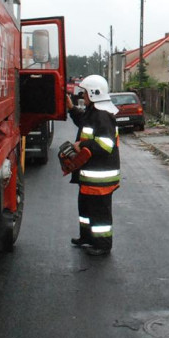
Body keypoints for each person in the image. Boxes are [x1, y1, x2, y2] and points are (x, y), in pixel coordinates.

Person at [66, 74, 121, 256]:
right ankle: (87, 237)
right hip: (89, 176)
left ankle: (102, 245)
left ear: (93, 93)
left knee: (99, 214)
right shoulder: (93, 112)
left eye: (84, 93)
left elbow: (105, 146)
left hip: (100, 178)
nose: (82, 96)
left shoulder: (103, 116)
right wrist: (71, 108)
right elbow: (83, 121)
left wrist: (81, 145)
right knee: (86, 209)